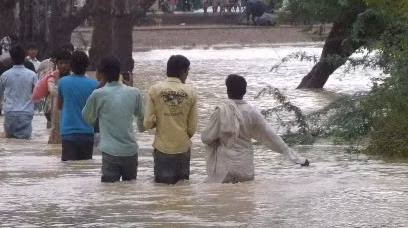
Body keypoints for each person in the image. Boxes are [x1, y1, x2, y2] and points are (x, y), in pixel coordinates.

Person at [200, 74, 310, 183]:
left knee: (223, 197)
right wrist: (296, 158)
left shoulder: (220, 111)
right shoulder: (252, 112)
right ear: (245, 91)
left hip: (224, 168)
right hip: (244, 166)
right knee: (245, 198)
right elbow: (271, 137)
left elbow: (206, 138)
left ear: (227, 90)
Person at [82, 54, 144, 182]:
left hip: (110, 153)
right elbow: (142, 116)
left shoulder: (98, 94)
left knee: (109, 194)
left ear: (101, 73)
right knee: (130, 190)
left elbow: (87, 117)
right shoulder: (134, 92)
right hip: (130, 151)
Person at [144, 54, 198, 183]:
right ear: (183, 71)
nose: (187, 75)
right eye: (187, 71)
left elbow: (147, 123)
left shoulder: (154, 90)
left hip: (163, 149)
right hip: (183, 148)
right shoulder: (191, 92)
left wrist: (160, 121)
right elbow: (192, 127)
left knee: (162, 191)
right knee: (183, 191)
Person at [58, 50, 99, 161]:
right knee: (85, 169)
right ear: (87, 66)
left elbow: (59, 105)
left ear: (70, 66)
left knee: (69, 171)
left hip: (68, 133)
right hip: (87, 133)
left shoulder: (62, 82)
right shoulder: (94, 84)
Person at [0, 45, 39, 139]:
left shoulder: (5, 75)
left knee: (9, 142)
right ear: (24, 58)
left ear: (11, 58)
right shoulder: (32, 75)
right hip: (26, 113)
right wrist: (34, 107)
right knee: (24, 144)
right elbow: (38, 94)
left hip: (9, 113)